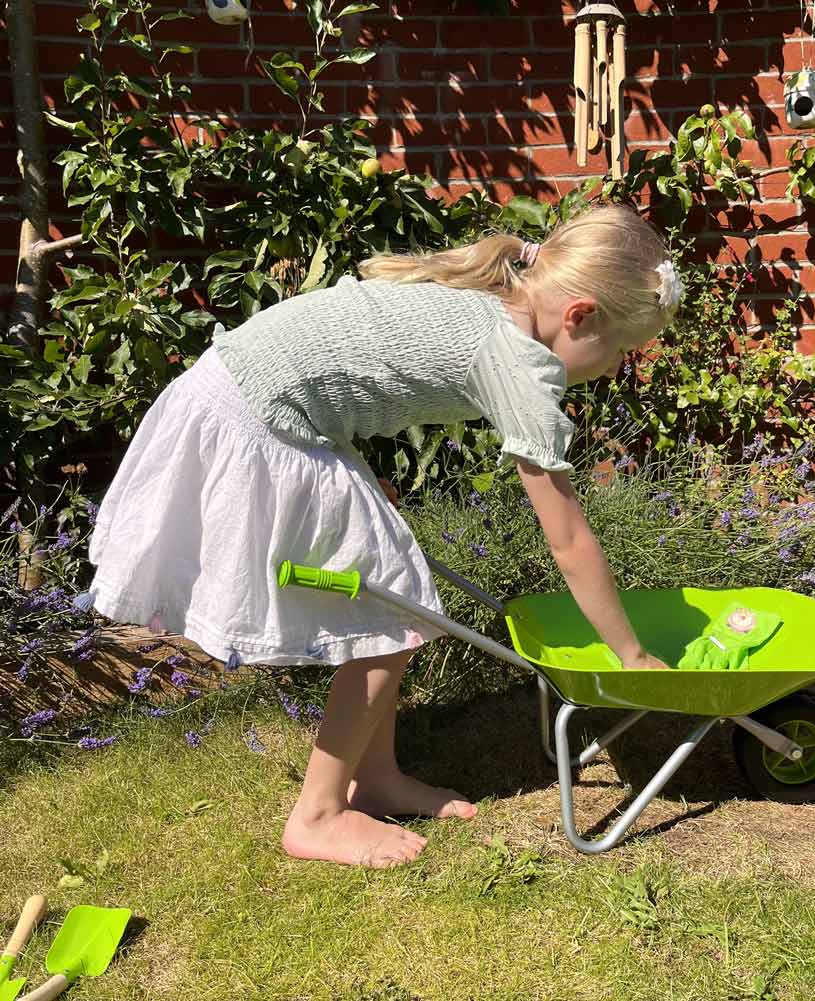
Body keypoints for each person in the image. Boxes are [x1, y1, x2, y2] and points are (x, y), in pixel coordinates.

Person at [81, 201, 685, 868]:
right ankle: (318, 815)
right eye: (620, 349)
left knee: (390, 598)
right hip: (259, 418)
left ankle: (375, 778)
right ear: (580, 316)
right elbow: (567, 537)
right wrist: (630, 654)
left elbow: (346, 357)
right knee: (394, 606)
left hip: (244, 390)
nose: (615, 367)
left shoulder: (496, 295)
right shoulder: (518, 359)